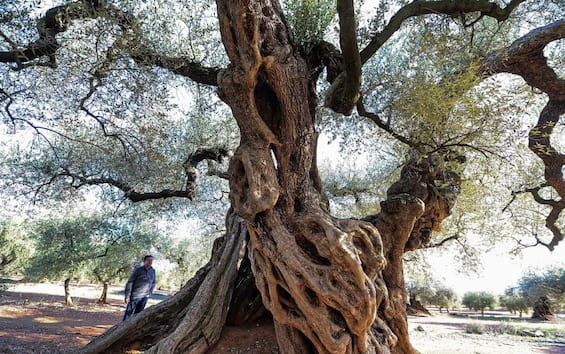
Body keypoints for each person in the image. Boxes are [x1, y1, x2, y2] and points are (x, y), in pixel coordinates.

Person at [123, 255, 156, 321]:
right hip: (135, 296)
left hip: (145, 297)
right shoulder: (138, 270)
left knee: (138, 315)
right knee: (128, 315)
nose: (150, 262)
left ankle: (132, 329)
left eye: (151, 260)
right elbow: (130, 282)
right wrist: (127, 295)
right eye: (149, 260)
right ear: (144, 261)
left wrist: (150, 292)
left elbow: (153, 282)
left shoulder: (153, 271)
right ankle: (122, 328)